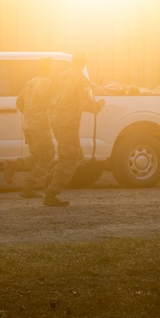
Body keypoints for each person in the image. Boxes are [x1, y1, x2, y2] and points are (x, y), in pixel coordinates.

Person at [43, 50, 104, 207]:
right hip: (68, 123)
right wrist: (98, 105)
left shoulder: (60, 76)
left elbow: (49, 94)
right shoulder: (81, 79)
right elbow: (86, 104)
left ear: (72, 62)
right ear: (84, 63)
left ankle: (48, 180)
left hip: (55, 120)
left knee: (76, 156)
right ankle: (51, 193)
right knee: (69, 160)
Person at [12, 57, 56, 199]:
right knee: (47, 155)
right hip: (41, 125)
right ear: (50, 68)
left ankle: (14, 165)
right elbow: (57, 104)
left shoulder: (30, 82)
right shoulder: (50, 84)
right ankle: (29, 187)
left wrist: (30, 114)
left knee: (37, 155)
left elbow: (19, 102)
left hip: (28, 125)